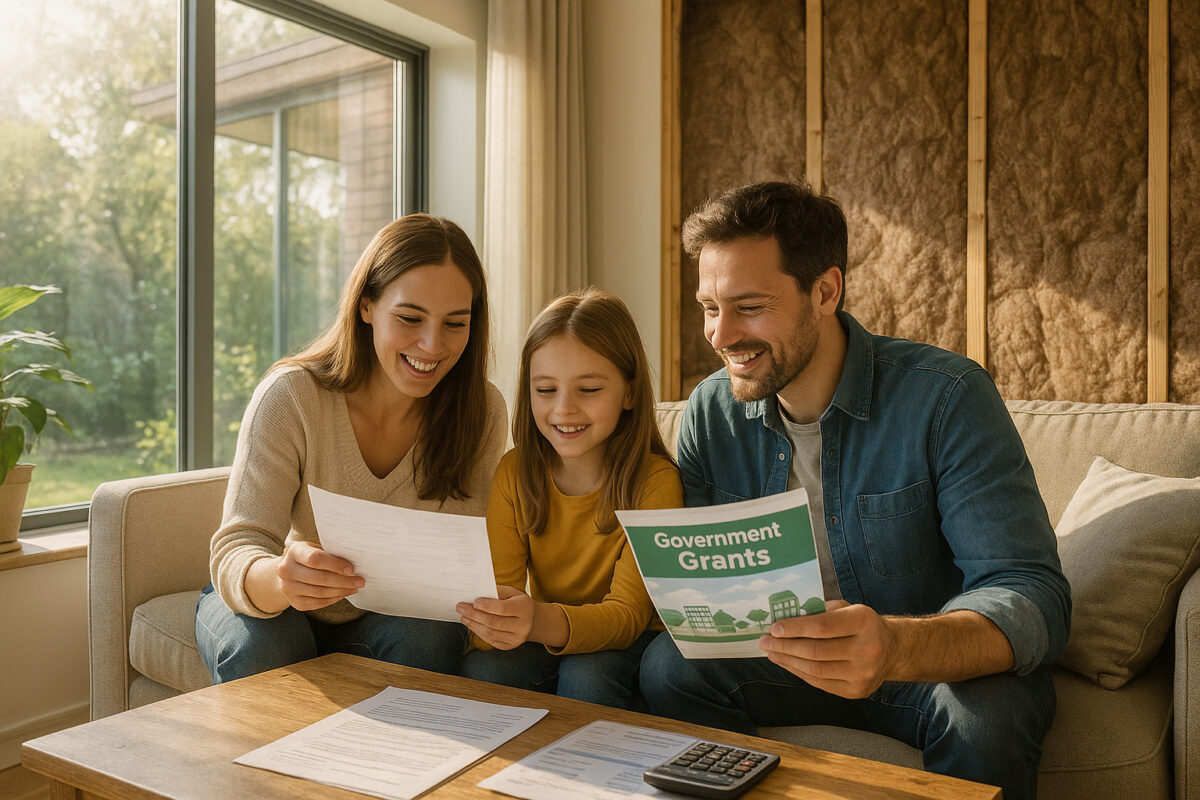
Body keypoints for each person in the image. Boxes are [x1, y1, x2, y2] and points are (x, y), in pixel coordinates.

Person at [638, 180, 1070, 799]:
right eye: (710, 306)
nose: (720, 334)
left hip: (925, 671)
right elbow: (704, 596)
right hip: (786, 663)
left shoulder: (946, 398)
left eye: (749, 305)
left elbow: (1033, 592)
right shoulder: (713, 413)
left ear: (825, 291)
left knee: (992, 715)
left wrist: (895, 646)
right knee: (668, 670)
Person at [196, 213, 508, 682]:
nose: (432, 344)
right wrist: (283, 576)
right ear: (367, 307)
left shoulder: (480, 410)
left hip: (383, 617)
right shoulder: (292, 397)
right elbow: (239, 546)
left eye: (455, 324)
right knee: (268, 645)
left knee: (431, 638)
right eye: (409, 317)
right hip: (275, 604)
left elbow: (462, 561)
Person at [455, 287, 683, 708]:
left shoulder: (655, 482)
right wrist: (492, 624)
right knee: (486, 670)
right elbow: (501, 591)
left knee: (588, 674)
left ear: (629, 393)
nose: (564, 409)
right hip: (547, 632)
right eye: (546, 390)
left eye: (589, 390)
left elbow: (627, 617)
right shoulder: (514, 473)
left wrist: (537, 619)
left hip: (631, 641)